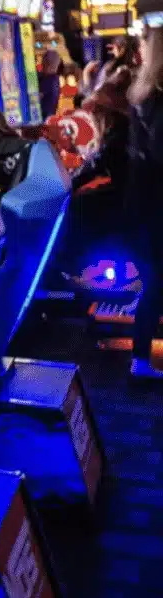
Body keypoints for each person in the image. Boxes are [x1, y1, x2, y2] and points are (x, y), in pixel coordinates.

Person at [126, 26, 163, 378]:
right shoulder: (158, 102)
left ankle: (139, 357)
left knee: (155, 282)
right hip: (157, 204)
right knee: (157, 283)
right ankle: (139, 359)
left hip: (144, 203)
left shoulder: (142, 96)